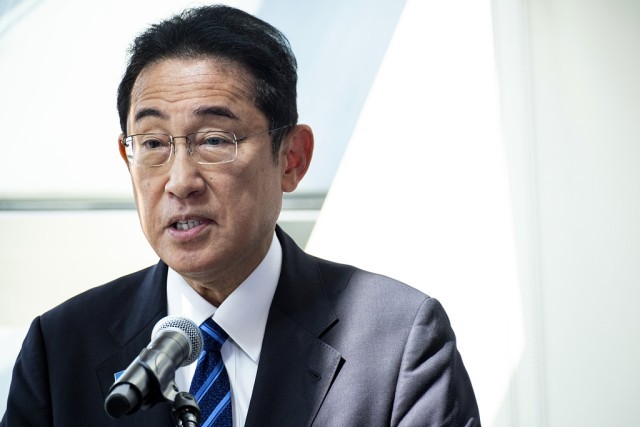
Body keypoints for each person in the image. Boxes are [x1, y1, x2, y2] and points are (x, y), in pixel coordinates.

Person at [1, 5, 480, 426]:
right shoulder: (60, 348)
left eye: (214, 140)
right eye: (153, 144)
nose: (180, 181)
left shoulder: (398, 341)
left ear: (291, 158)